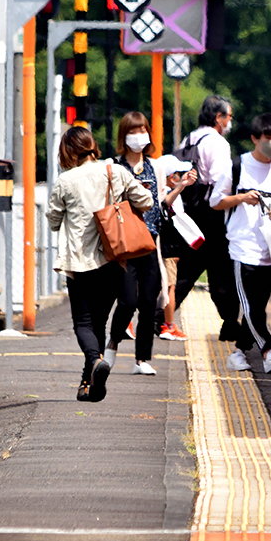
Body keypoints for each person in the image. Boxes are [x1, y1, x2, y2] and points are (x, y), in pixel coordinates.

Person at [46, 126, 153, 402]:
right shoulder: (114, 171)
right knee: (99, 322)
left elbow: (54, 221)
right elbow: (146, 201)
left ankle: (95, 362)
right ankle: (89, 383)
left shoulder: (65, 180)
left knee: (83, 322)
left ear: (68, 151)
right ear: (92, 146)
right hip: (112, 258)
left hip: (80, 262)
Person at [211, 113, 271, 373]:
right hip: (242, 247)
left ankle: (239, 353)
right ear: (254, 138)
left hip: (270, 250)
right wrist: (241, 198)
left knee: (258, 308)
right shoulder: (237, 166)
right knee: (251, 306)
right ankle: (269, 350)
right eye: (268, 138)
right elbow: (216, 201)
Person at [103, 112, 192, 374]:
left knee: (149, 302)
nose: (138, 136)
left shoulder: (156, 167)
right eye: (133, 131)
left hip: (150, 242)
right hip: (124, 244)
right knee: (128, 301)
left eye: (142, 130)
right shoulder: (114, 166)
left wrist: (180, 187)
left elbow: (162, 205)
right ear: (124, 136)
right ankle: (112, 344)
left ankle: (142, 360)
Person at [174, 95, 241, 340]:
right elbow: (219, 180)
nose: (230, 121)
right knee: (221, 271)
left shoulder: (189, 138)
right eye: (228, 116)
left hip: (188, 211)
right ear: (218, 117)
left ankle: (160, 318)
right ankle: (230, 323)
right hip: (212, 214)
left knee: (186, 270)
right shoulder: (218, 143)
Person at [155, 156, 199, 341]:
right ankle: (168, 325)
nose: (181, 177)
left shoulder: (153, 191)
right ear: (171, 176)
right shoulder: (169, 193)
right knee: (170, 287)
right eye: (178, 174)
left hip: (157, 244)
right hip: (168, 248)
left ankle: (130, 323)